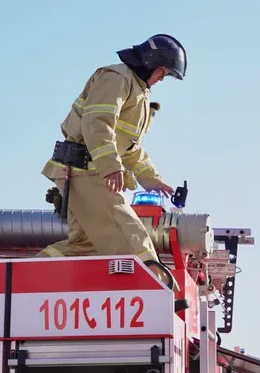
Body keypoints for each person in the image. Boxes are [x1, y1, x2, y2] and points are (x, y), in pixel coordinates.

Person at [36, 34, 187, 286]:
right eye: (162, 71)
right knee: (128, 231)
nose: (162, 78)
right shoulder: (117, 77)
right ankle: (154, 285)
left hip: (85, 171)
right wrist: (111, 168)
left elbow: (129, 148)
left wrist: (153, 180)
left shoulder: (138, 92)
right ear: (150, 61)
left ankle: (25, 276)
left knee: (88, 246)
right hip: (85, 170)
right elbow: (97, 124)